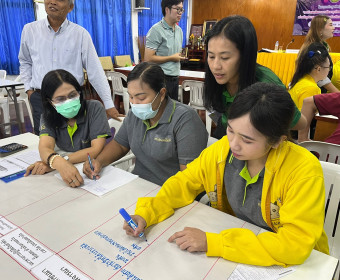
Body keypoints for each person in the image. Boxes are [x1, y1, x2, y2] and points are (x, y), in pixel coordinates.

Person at [123, 82, 329, 266]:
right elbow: (183, 183)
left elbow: (293, 245)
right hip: (239, 247)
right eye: (230, 130)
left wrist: (215, 242)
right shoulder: (222, 151)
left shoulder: (303, 171)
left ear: (277, 141)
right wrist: (146, 213)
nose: (234, 144)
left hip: (296, 264)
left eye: (247, 140)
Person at [84, 62, 208, 186]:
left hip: (169, 192)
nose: (135, 103)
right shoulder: (134, 115)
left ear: (162, 94)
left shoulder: (185, 120)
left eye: (141, 98)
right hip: (139, 184)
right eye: (131, 97)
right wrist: (98, 161)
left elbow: (189, 179)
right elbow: (120, 145)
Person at [18, 0, 122, 135]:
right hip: (41, 98)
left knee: (77, 141)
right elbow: (25, 61)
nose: (52, 2)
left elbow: (94, 70)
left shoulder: (80, 34)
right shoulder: (29, 30)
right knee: (45, 143)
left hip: (71, 100)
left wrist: (109, 104)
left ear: (70, 7)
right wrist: (29, 91)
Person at [203, 15, 306, 139]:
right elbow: (217, 114)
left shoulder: (266, 85)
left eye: (225, 58)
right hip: (229, 135)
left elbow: (301, 123)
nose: (215, 66)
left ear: (246, 55)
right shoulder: (218, 80)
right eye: (211, 56)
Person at [24, 69, 111, 188]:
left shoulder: (94, 108)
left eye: (72, 95)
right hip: (66, 171)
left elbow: (96, 149)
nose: (69, 101)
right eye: (60, 99)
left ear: (79, 92)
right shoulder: (47, 116)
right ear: (50, 102)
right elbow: (45, 147)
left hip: (92, 168)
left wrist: (58, 162)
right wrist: (58, 163)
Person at [144, 0, 185, 100]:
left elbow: (175, 54)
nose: (180, 13)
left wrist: (179, 57)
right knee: (161, 112)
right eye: (177, 9)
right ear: (167, 9)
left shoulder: (179, 31)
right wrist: (172, 58)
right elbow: (148, 58)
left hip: (175, 77)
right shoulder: (156, 30)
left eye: (182, 10)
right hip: (161, 78)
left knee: (172, 111)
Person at [296, 15, 338, 93]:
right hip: (311, 91)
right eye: (331, 25)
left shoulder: (320, 45)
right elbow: (321, 78)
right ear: (320, 29)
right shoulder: (315, 48)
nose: (334, 28)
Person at [289, 42, 331, 110]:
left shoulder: (302, 80)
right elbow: (303, 117)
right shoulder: (311, 88)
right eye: (328, 67)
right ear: (318, 69)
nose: (329, 70)